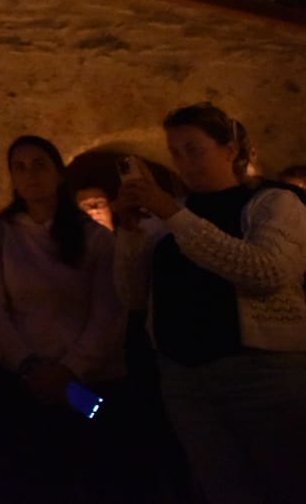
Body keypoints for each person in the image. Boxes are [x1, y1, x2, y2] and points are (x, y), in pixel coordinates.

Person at [115, 103, 306, 503]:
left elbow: (265, 271)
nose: (184, 162)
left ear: (230, 149)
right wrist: (131, 235)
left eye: (194, 149)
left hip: (261, 374)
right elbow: (133, 295)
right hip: (186, 380)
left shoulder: (276, 203)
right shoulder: (172, 215)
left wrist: (169, 212)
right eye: (176, 152)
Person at [0, 136, 123, 503]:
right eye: (19, 167)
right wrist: (28, 366)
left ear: (58, 173)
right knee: (36, 479)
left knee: (95, 470)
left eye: (39, 164)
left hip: (85, 384)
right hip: (26, 382)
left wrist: (70, 369)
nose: (30, 175)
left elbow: (108, 311)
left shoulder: (95, 238)